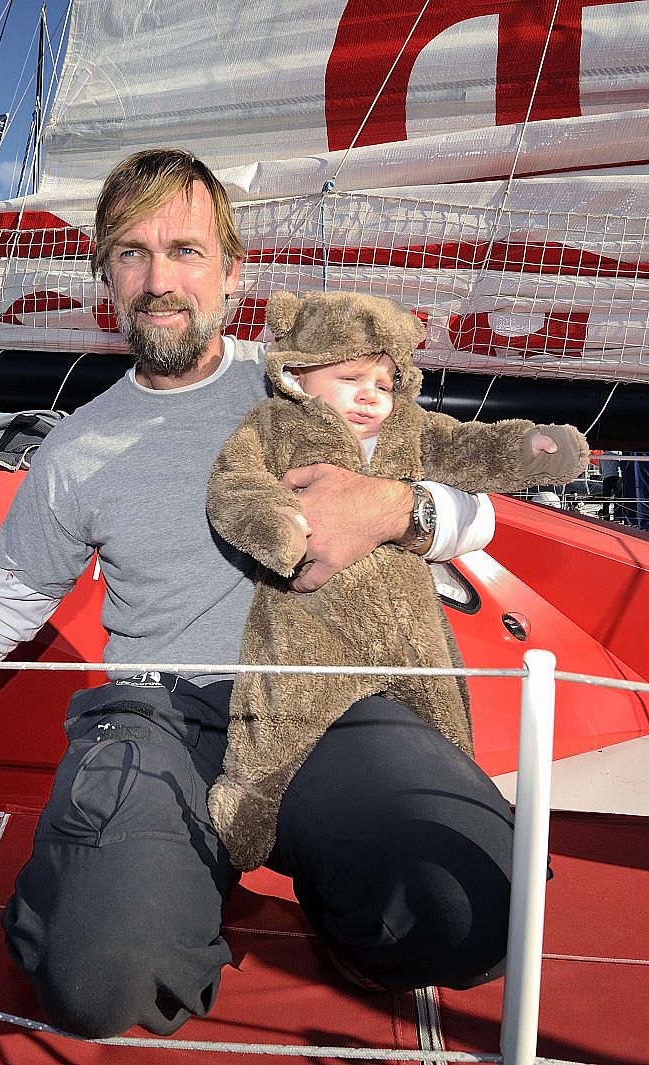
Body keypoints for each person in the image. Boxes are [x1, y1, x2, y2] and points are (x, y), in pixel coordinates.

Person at [0, 149, 517, 1037]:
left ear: (234, 275)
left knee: (474, 907)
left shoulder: (311, 390)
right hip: (161, 723)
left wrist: (394, 506)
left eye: (187, 251)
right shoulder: (75, 448)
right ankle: (165, 893)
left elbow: (481, 514)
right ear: (104, 277)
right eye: (131, 253)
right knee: (93, 979)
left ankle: (352, 922)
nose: (160, 280)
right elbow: (1, 607)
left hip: (328, 701)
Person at [204, 290, 587, 870]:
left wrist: (532, 448)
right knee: (280, 718)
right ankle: (246, 812)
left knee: (445, 726)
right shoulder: (272, 426)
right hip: (308, 618)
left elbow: (468, 448)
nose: (370, 396)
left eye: (384, 384)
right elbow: (233, 488)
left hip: (409, 618)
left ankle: (468, 818)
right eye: (351, 378)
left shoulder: (411, 428)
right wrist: (279, 531)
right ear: (297, 375)